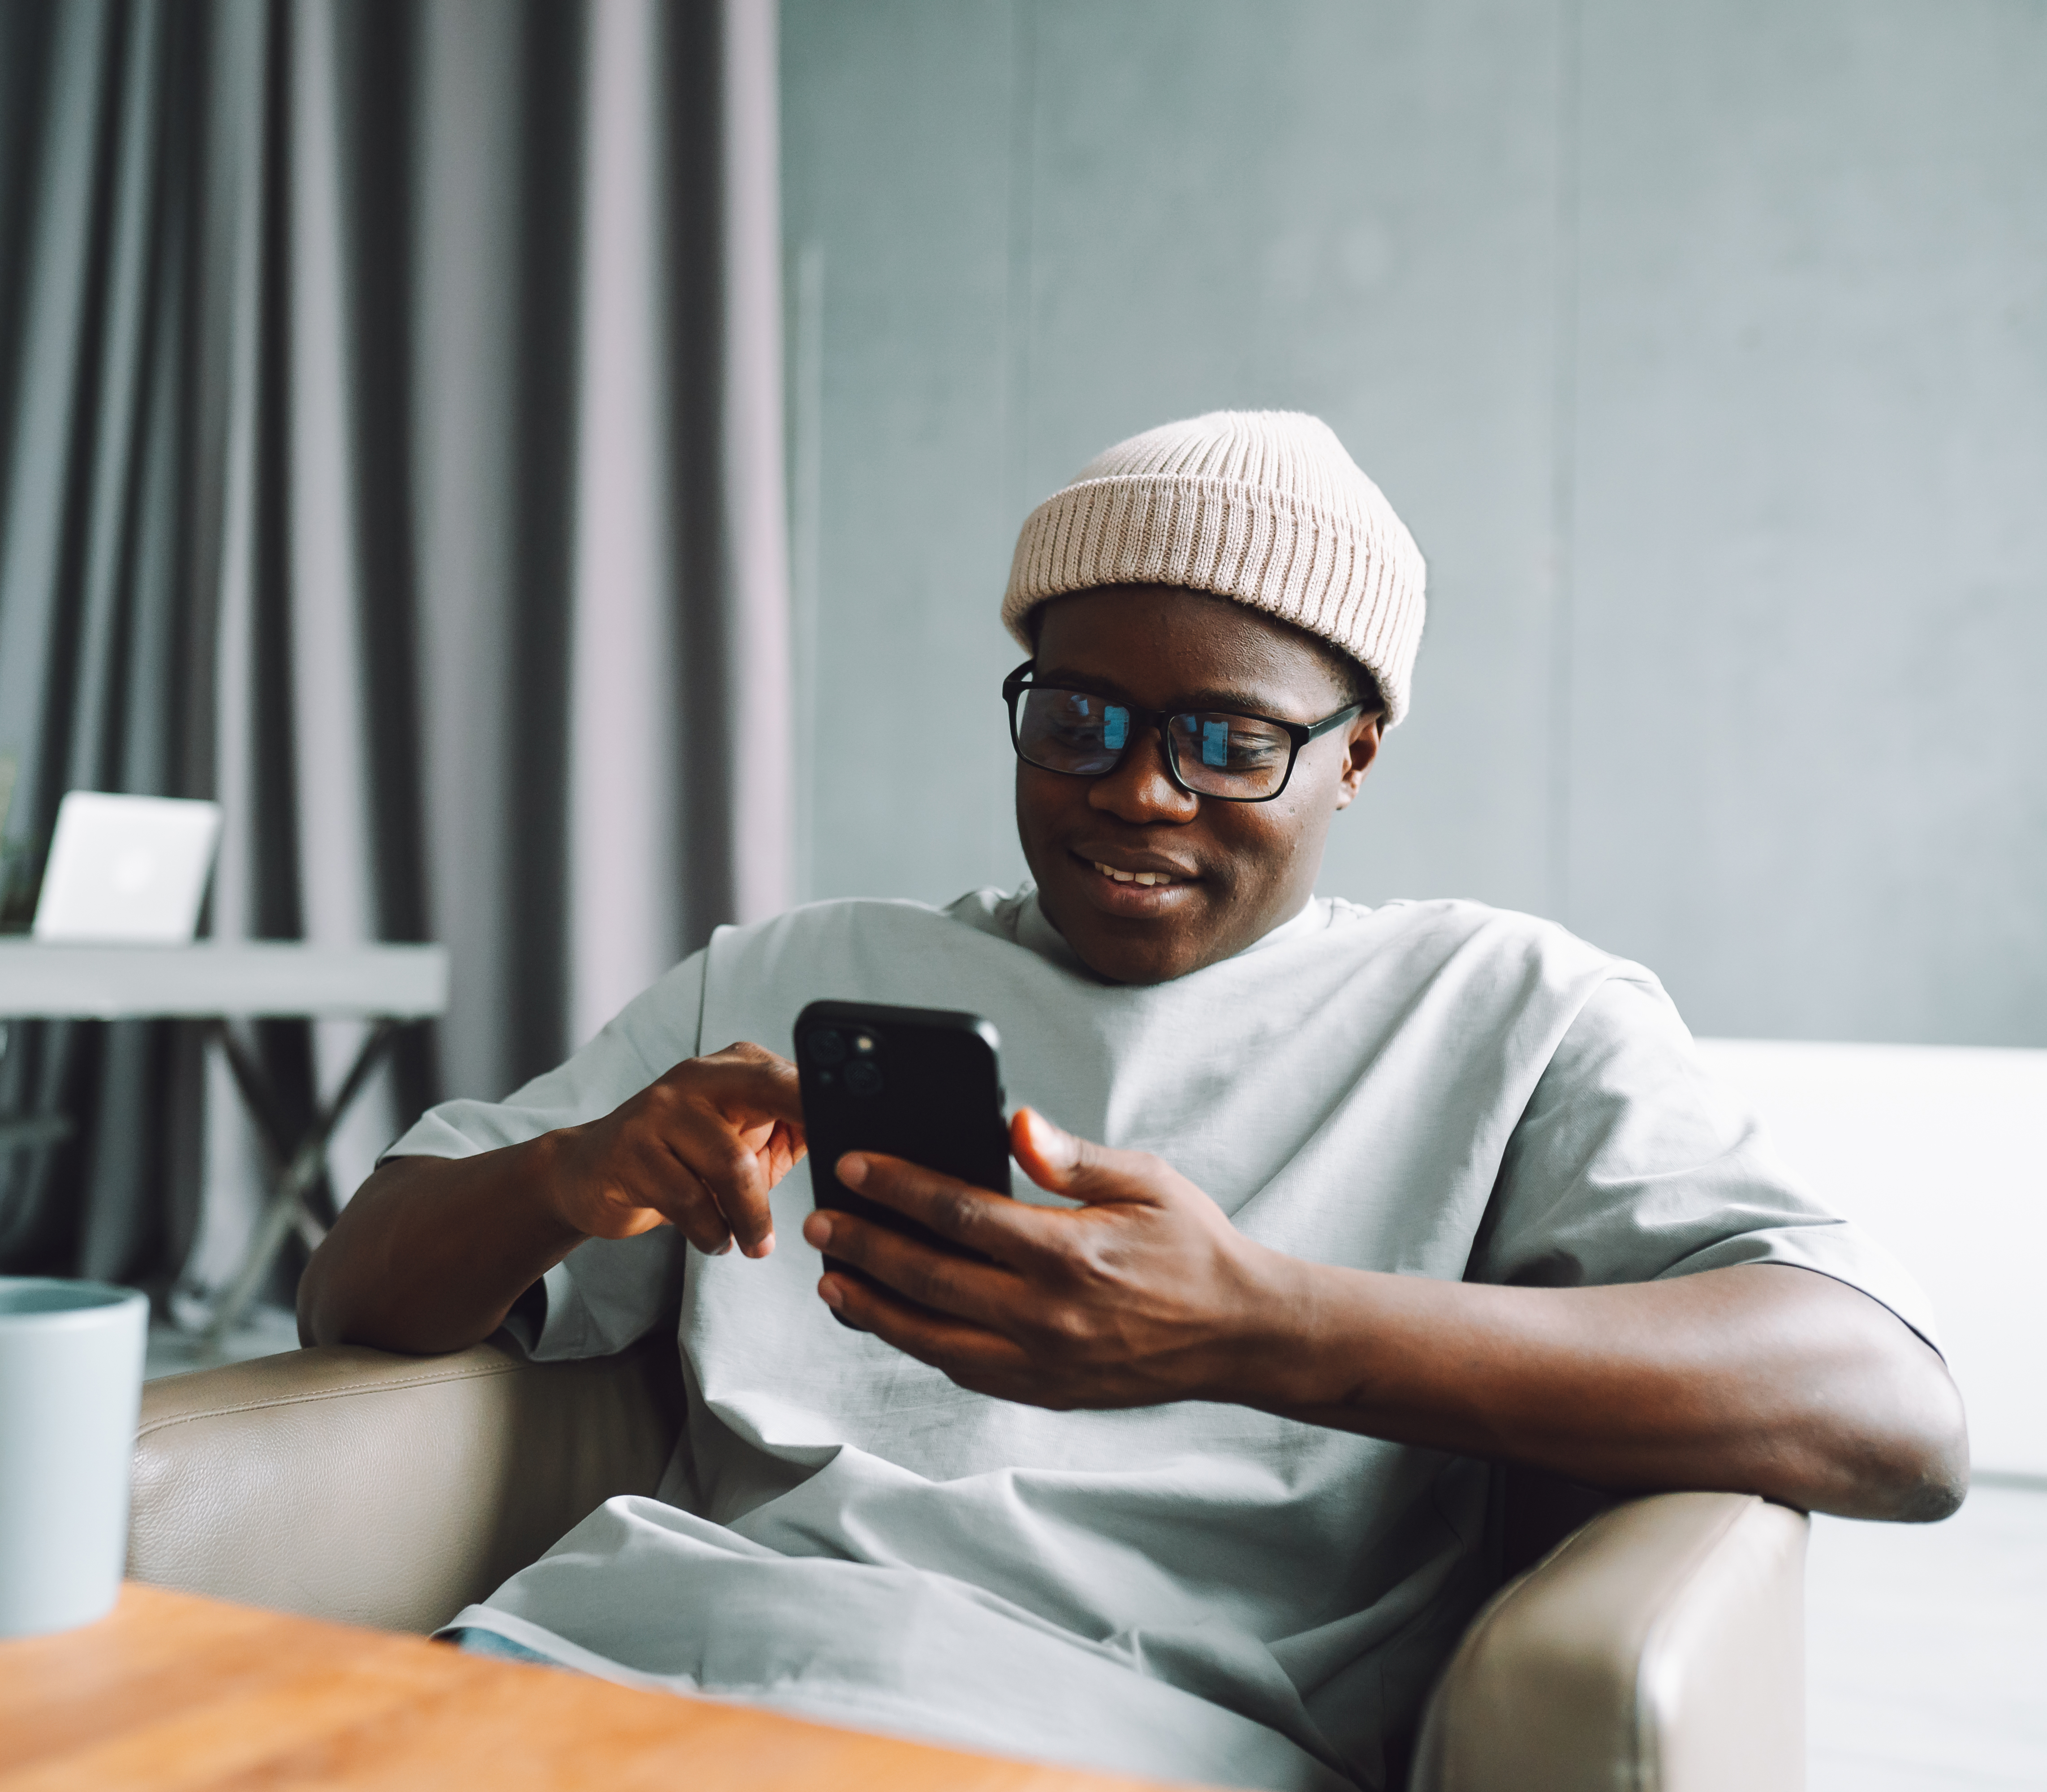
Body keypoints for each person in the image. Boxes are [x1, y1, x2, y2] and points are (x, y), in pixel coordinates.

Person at [298, 410, 1966, 1792]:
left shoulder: (1505, 1013)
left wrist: (1254, 1327)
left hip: (1114, 1743)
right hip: (583, 1681)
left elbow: (1890, 1415)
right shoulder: (793, 970)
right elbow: (353, 1294)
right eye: (1078, 721)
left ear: (1358, 752)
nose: (1137, 793)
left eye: (1229, 743)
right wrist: (570, 1179)